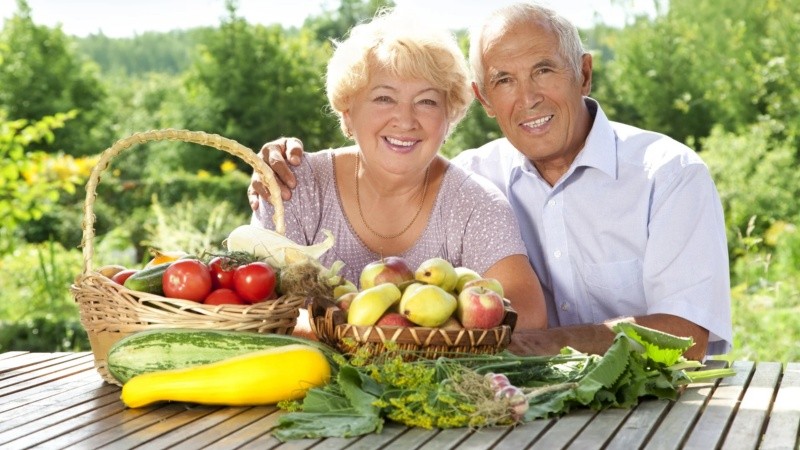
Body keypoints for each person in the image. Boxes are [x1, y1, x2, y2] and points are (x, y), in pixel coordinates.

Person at [250, 3, 732, 361]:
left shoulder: (668, 174)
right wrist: (275, 164)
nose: (527, 98)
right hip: (518, 399)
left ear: (583, 74)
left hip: (660, 404)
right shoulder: (477, 175)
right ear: (483, 98)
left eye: (544, 70)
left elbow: (685, 336)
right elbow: (253, 306)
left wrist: (529, 344)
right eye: (503, 80)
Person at [249, 8, 548, 336]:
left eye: (427, 102)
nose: (405, 120)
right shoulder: (297, 183)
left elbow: (529, 317)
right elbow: (253, 303)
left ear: (449, 118)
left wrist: (404, 338)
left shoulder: (475, 203)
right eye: (383, 98)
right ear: (347, 115)